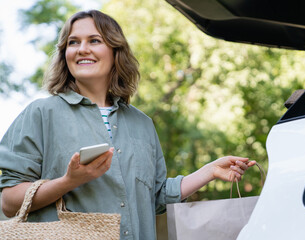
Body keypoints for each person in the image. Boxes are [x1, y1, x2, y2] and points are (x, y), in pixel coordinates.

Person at [0, 10, 255, 239]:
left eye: (94, 41)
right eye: (73, 42)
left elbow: (155, 197)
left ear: (115, 51)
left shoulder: (142, 123)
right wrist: (69, 181)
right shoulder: (41, 113)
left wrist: (209, 171)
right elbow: (9, 202)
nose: (81, 49)